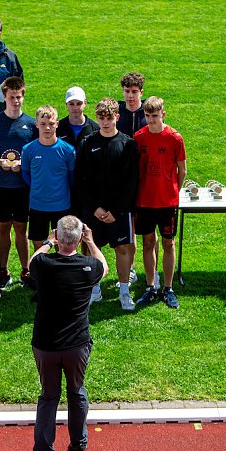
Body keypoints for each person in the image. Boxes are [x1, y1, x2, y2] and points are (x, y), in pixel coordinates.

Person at [30, 215, 108, 451]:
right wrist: (91, 241)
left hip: (46, 345)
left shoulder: (43, 264)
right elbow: (104, 266)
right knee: (76, 392)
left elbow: (31, 262)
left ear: (57, 236)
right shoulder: (88, 266)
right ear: (79, 238)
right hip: (77, 345)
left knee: (49, 396)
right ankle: (78, 445)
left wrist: (48, 242)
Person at [74, 97, 140, 310]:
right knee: (92, 249)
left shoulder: (128, 144)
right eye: (101, 118)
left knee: (122, 248)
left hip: (119, 211)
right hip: (93, 210)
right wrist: (95, 208)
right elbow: (80, 180)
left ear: (117, 117)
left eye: (109, 118)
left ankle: (124, 292)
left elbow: (131, 182)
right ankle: (94, 290)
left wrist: (116, 210)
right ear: (97, 117)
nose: (105, 122)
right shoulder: (87, 143)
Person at [133, 96, 187, 309]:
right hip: (145, 201)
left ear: (163, 114)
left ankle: (168, 288)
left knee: (168, 243)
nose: (151, 120)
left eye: (154, 116)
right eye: (147, 116)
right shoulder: (139, 137)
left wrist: (173, 191)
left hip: (167, 202)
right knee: (148, 243)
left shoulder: (174, 138)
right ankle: (150, 287)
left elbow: (182, 170)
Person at [0, 76, 38, 289]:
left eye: (18, 97)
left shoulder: (32, 124)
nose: (15, 101)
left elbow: (36, 154)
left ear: (23, 96)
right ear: (4, 97)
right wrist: (1, 162)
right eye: (11, 97)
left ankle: (26, 270)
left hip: (22, 186)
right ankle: (3, 270)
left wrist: (22, 165)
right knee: (3, 227)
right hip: (1, 184)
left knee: (21, 228)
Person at [22, 105, 76, 253]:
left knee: (63, 245)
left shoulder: (68, 150)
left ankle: (60, 268)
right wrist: (38, 187)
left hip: (61, 205)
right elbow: (25, 174)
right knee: (39, 244)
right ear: (36, 124)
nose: (47, 128)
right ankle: (41, 268)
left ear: (57, 124)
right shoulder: (28, 149)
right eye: (43, 124)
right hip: (38, 205)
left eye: (51, 124)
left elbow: (71, 177)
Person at [56, 86, 98, 150]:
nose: (75, 108)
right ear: (66, 104)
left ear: (85, 103)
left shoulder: (95, 129)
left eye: (79, 104)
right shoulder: (57, 128)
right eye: (71, 104)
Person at [117, 72, 147, 137]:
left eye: (134, 92)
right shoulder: (115, 111)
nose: (130, 96)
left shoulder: (150, 112)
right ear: (123, 91)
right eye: (127, 91)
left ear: (141, 92)